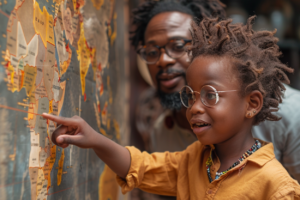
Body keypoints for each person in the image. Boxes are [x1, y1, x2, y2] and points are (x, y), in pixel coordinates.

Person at [43, 16, 300, 199]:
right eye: (190, 95)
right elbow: (140, 167)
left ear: (251, 104)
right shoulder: (194, 159)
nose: (195, 108)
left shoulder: (275, 186)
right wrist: (95, 139)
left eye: (210, 95)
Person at [132, 0, 300, 183]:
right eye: (151, 52)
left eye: (179, 46)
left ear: (209, 46)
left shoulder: (289, 114)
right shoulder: (163, 136)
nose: (163, 60)